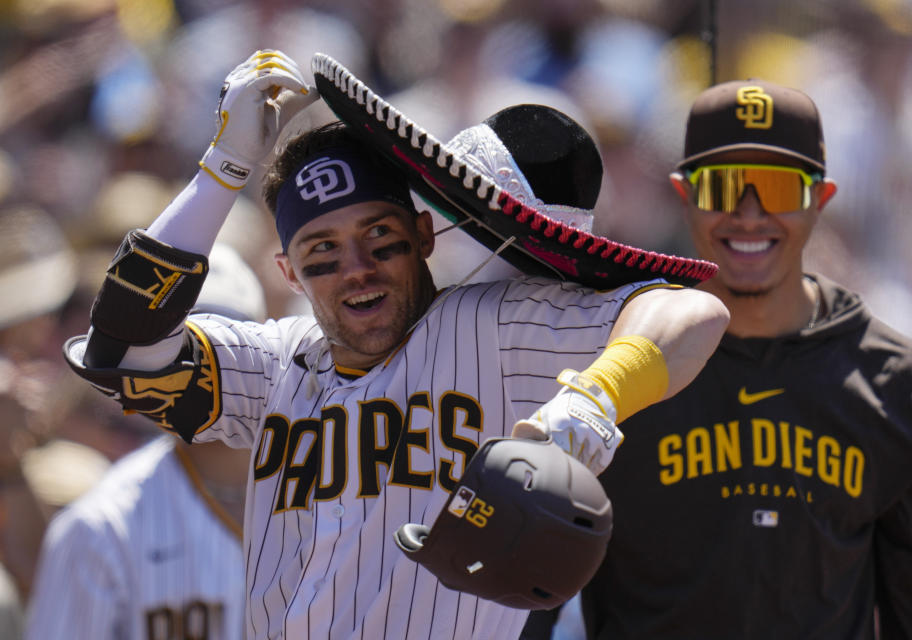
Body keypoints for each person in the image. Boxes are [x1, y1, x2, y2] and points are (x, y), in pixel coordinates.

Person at [62, 50, 728, 639]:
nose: (356, 267)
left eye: (378, 238)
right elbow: (120, 351)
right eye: (322, 251)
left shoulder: (491, 325)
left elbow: (691, 313)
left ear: (422, 237)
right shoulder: (272, 364)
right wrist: (222, 169)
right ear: (287, 272)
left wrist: (598, 394)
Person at [556, 79, 912, 639]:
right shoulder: (614, 360)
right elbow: (529, 598)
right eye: (723, 187)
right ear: (685, 194)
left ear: (820, 199)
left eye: (776, 187)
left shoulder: (899, 383)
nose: (749, 215)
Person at [25, 243, 264, 640]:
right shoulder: (100, 527)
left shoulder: (340, 486)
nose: (201, 367)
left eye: (222, 344)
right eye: (173, 348)